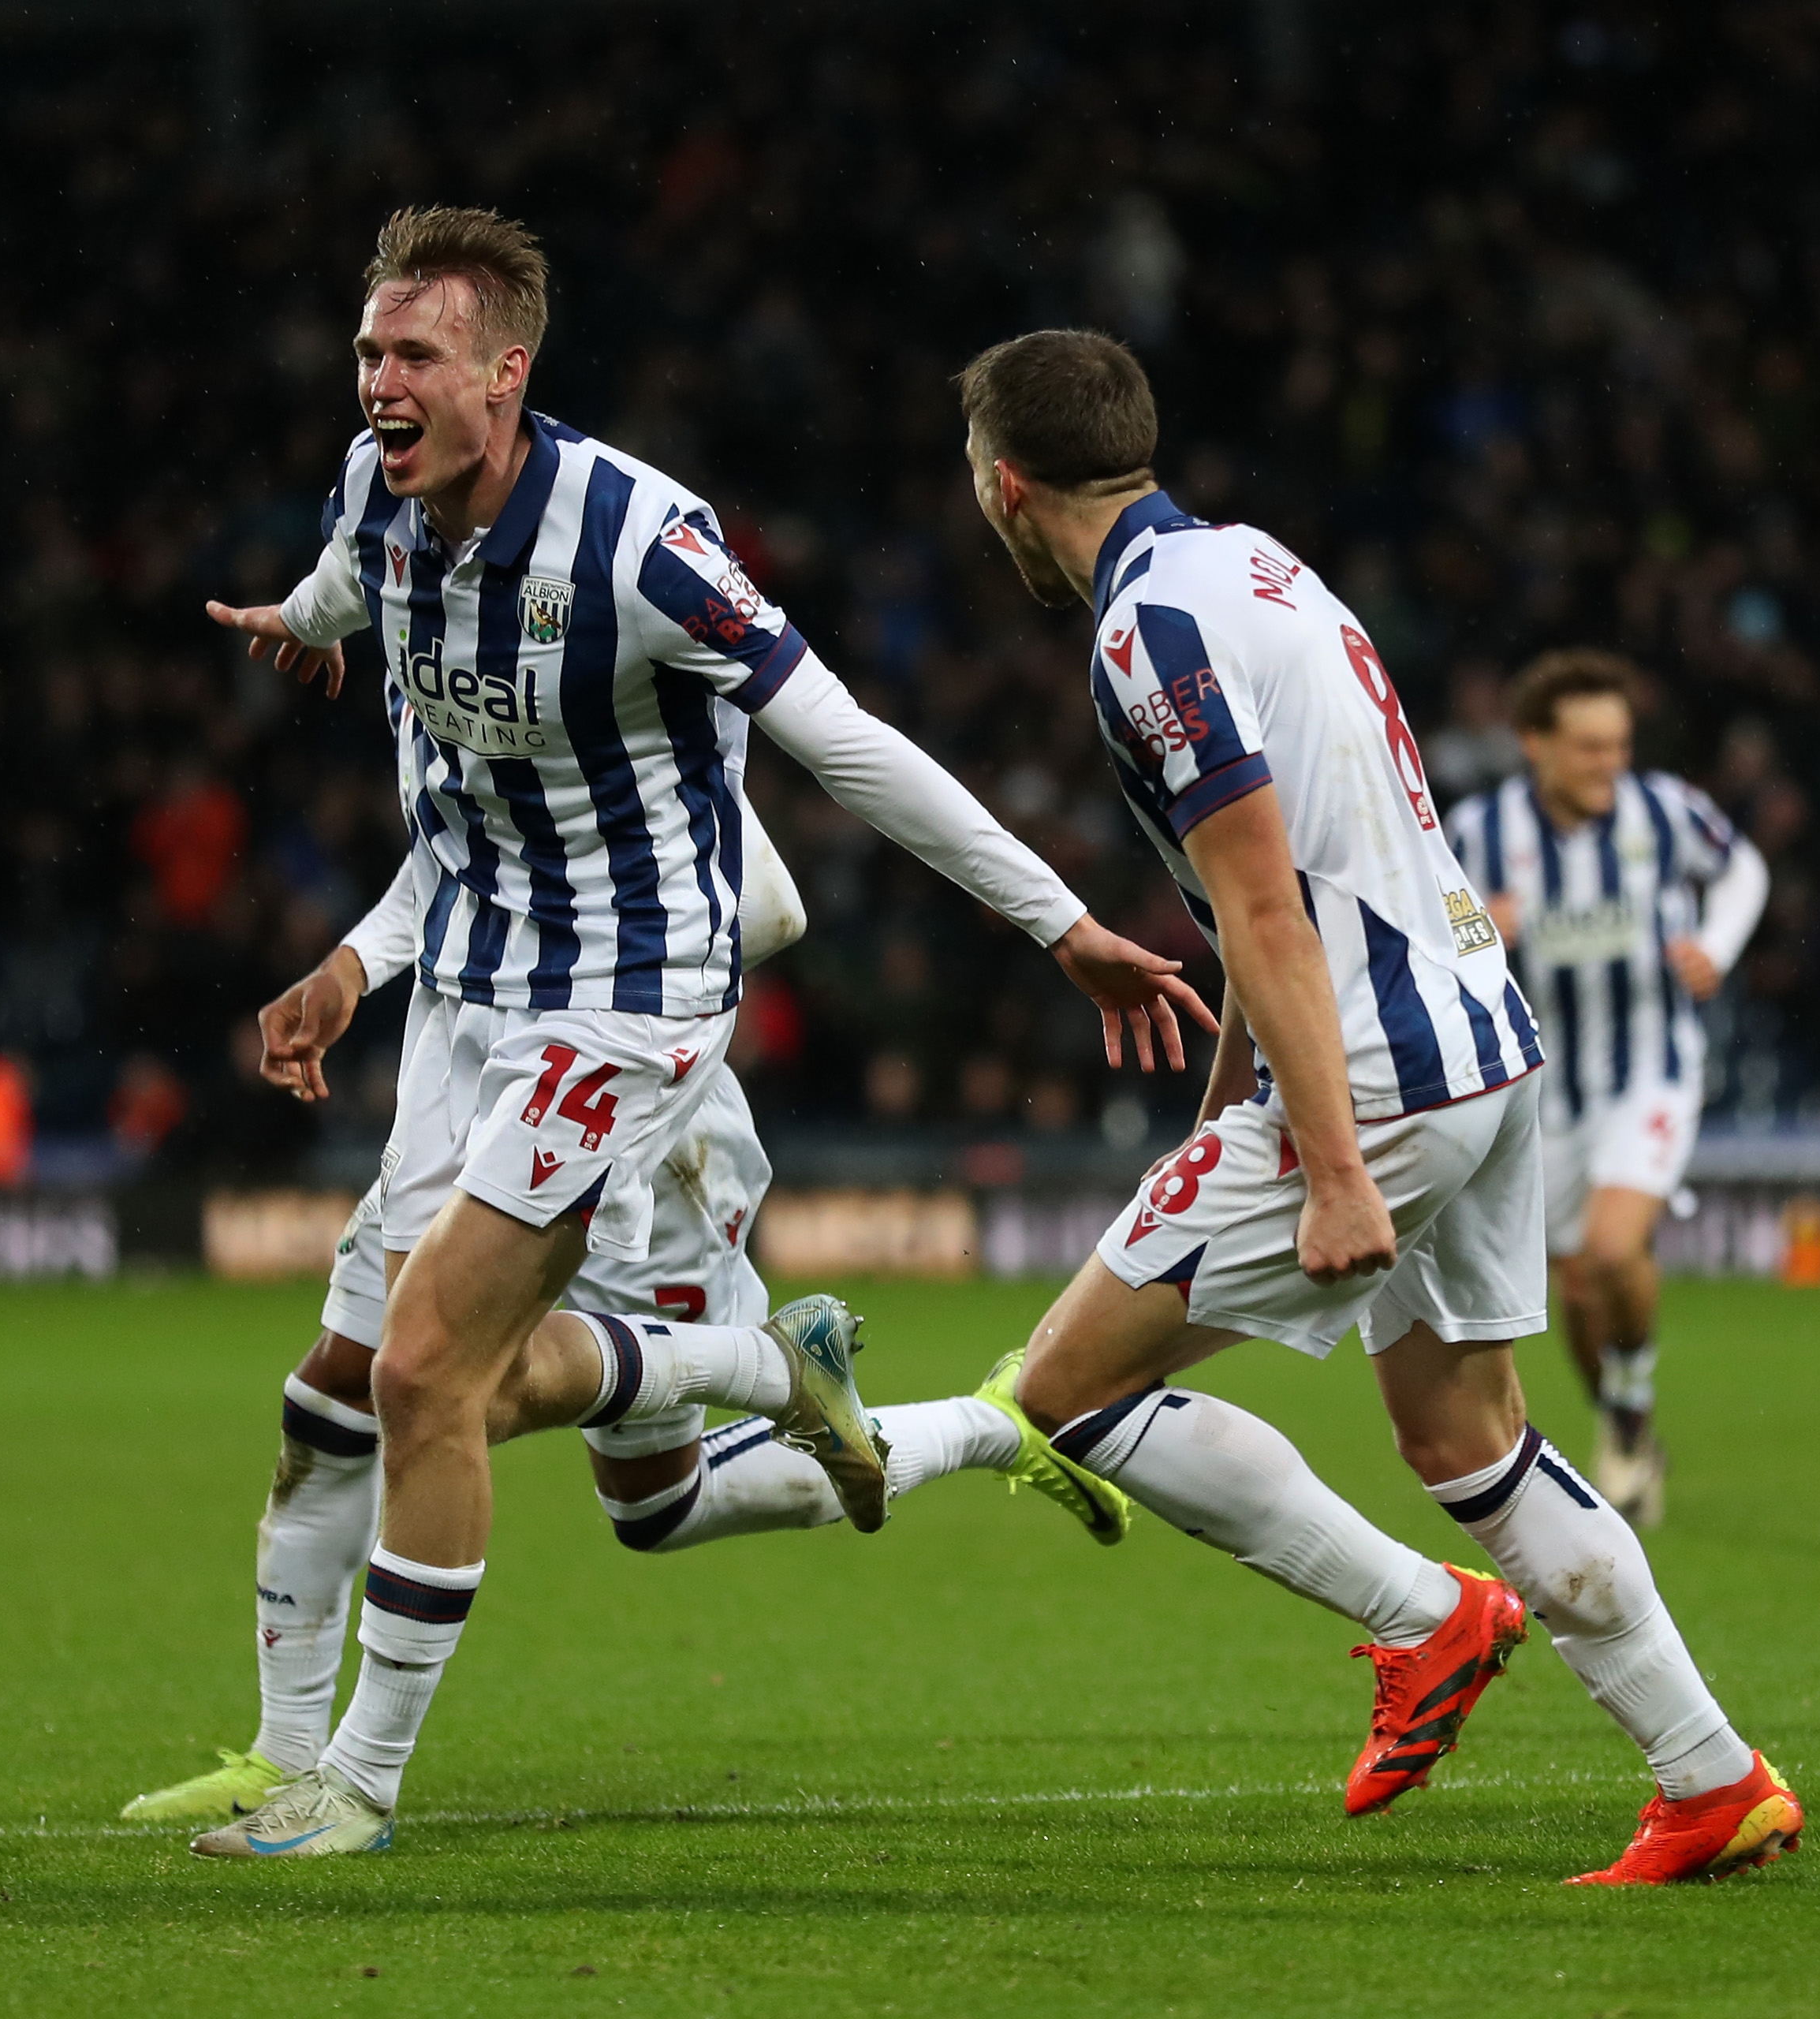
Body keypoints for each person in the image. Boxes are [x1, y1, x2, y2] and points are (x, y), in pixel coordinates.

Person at [182, 207, 1206, 1857]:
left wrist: (1063, 925)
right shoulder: (375, 490)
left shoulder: (641, 542)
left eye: (415, 355)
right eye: (368, 351)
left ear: (506, 377)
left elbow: (849, 746)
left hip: (629, 995)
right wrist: (304, 629)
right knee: (344, 1386)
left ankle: (355, 1791)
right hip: (467, 981)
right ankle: (290, 1747)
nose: (378, 381)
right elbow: (348, 584)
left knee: (436, 1371)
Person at [960, 328, 1800, 1885]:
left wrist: (1332, 1162)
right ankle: (1711, 1774)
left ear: (1007, 483)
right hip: (1484, 1035)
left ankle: (1429, 1623)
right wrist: (1237, 1086)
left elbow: (1271, 905)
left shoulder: (1147, 630)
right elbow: (1309, 867)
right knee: (1467, 1428)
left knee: (1064, 1388)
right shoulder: (1257, 565)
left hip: (1383, 1079)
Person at [118, 809, 1126, 1827]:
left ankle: (968, 1419)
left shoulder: (647, 690)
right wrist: (353, 964)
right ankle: (285, 1754)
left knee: (652, 1502)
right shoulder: (447, 676)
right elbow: (457, 852)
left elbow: (771, 905)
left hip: (629, 1119)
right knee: (342, 1385)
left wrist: (598, 970)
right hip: (467, 1080)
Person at [1448, 652, 1768, 1525]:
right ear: (1534, 744)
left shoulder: (1665, 811)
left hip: (1651, 1069)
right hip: (1539, 1090)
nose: (1607, 764)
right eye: (1588, 747)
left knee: (1618, 1251)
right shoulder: (1477, 832)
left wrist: (1719, 946)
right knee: (1579, 1287)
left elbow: (1744, 870)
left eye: (1618, 745)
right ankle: (1627, 1424)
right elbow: (1419, 924)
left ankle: (1627, 1414)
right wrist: (1478, 925)